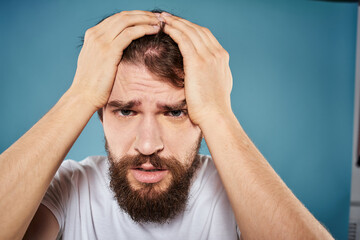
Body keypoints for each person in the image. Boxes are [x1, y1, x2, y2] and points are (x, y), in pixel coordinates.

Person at [0, 10, 333, 240]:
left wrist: (218, 111)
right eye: (125, 111)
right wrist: (80, 95)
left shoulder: (238, 193)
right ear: (99, 112)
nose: (147, 146)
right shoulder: (66, 188)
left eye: (175, 112)